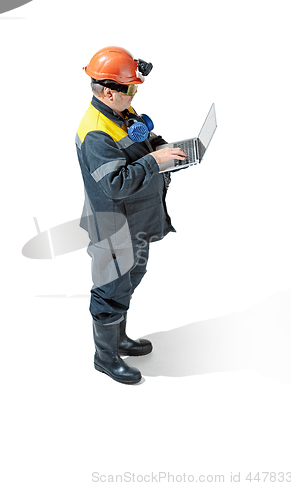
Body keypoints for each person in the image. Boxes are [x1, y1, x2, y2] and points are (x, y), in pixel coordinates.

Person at [75, 46, 186, 384]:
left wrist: (163, 148)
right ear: (109, 90)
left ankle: (119, 338)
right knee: (111, 288)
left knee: (132, 277)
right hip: (113, 225)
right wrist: (155, 162)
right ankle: (105, 357)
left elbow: (140, 139)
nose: (134, 94)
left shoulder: (121, 111)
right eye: (131, 88)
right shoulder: (96, 133)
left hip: (134, 221)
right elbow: (116, 184)